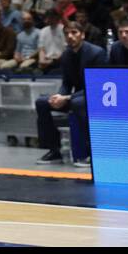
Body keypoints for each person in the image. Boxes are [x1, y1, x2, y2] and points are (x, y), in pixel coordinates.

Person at [34, 22, 105, 167]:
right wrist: (59, 96)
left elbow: (96, 86)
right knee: (42, 102)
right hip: (76, 96)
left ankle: (92, 153)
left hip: (96, 96)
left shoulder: (97, 53)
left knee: (77, 103)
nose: (70, 36)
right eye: (67, 33)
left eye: (74, 32)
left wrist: (67, 97)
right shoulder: (66, 54)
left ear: (82, 35)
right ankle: (54, 151)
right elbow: (66, 83)